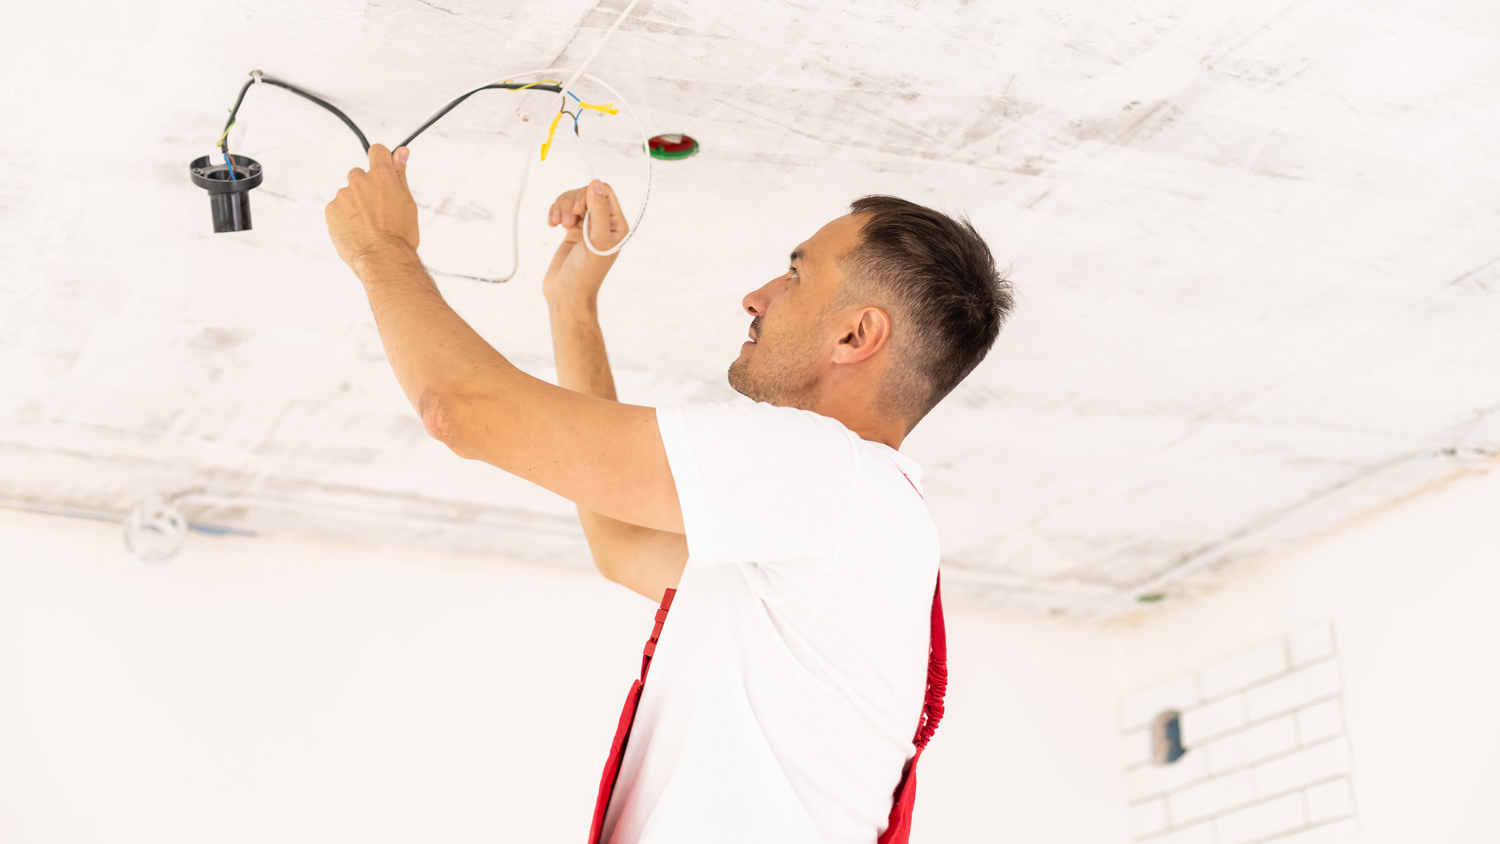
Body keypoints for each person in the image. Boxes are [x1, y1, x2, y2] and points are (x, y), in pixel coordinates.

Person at [325, 144, 1013, 844]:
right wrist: (573, 304)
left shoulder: (831, 478)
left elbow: (460, 410)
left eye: (796, 276)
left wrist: (382, 250)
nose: (758, 296)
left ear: (855, 334)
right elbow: (622, 544)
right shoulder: (854, 524)